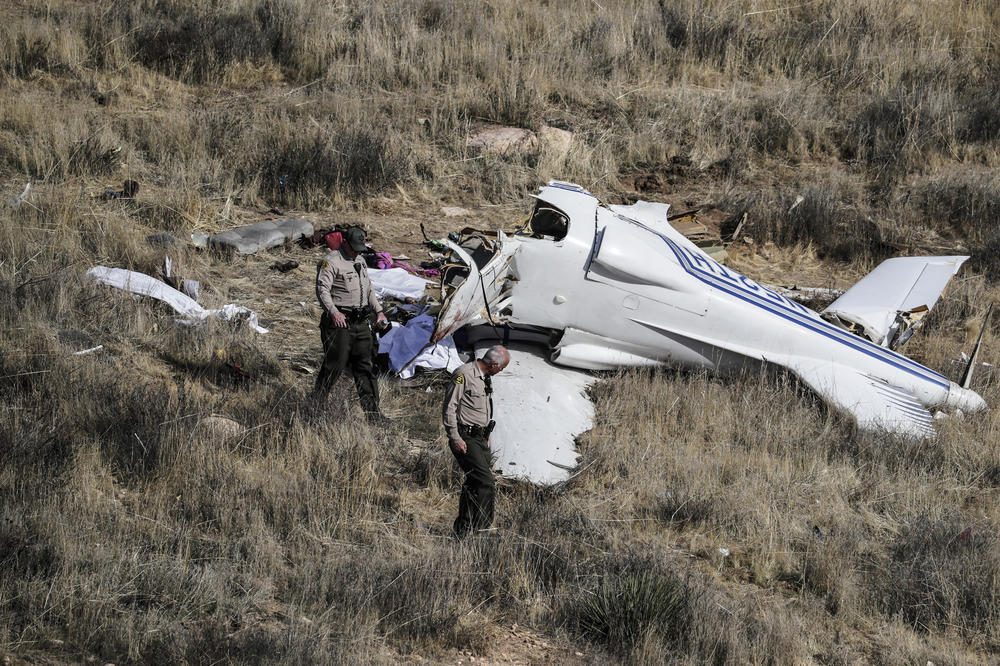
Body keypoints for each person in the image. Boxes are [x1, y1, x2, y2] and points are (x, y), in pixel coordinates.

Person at [313, 226, 389, 424]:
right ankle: (316, 405)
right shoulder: (330, 262)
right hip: (340, 323)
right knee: (335, 365)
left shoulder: (360, 261)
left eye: (359, 248)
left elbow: (369, 289)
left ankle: (373, 414)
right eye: (354, 247)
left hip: (362, 323)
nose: (356, 251)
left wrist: (379, 311)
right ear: (344, 242)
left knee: (366, 367)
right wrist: (333, 312)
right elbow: (322, 290)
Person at [442, 345, 510, 537]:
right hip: (466, 437)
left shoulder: (486, 377)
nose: (502, 370)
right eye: (502, 367)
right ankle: (482, 527)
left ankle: (463, 531)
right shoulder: (464, 374)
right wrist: (455, 437)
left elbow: (483, 407)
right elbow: (449, 407)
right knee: (485, 482)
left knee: (474, 483)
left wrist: (486, 433)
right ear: (494, 364)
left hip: (480, 438)